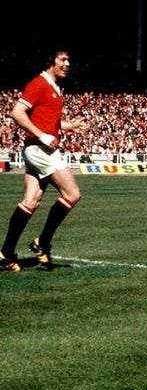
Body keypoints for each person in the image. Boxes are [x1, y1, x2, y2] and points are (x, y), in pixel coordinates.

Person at [1, 49, 89, 272]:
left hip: (35, 150)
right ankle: (41, 243)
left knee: (31, 201)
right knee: (72, 194)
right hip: (40, 150)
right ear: (51, 61)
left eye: (69, 59)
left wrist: (70, 126)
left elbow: (49, 122)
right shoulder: (39, 84)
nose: (68, 63)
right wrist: (41, 135)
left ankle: (6, 253)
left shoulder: (54, 87)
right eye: (63, 59)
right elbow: (16, 112)